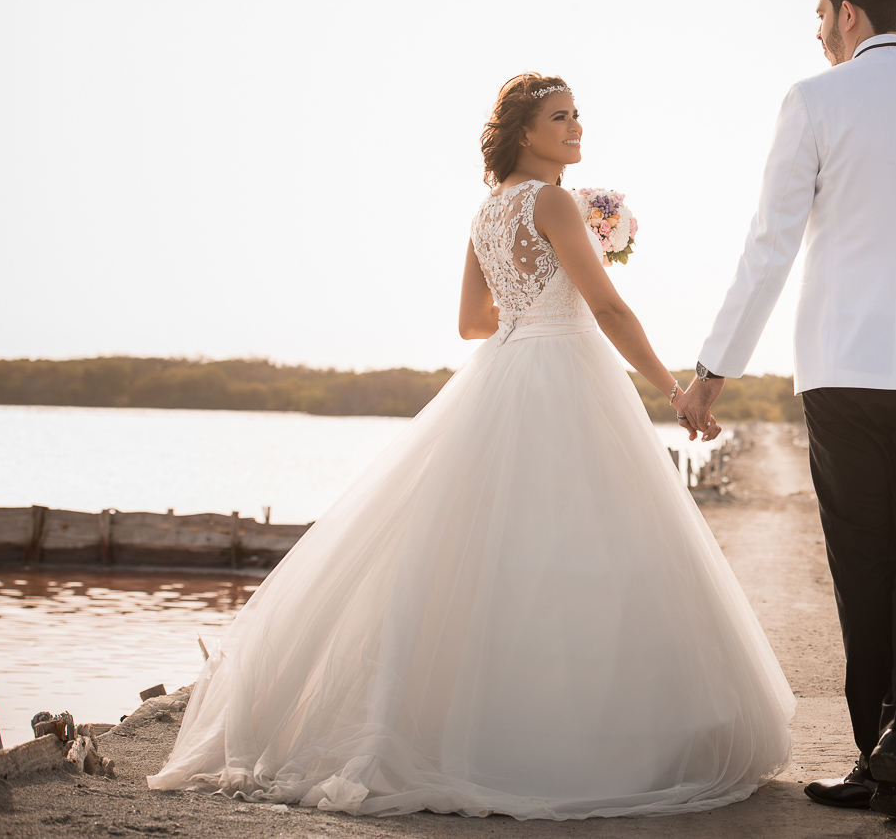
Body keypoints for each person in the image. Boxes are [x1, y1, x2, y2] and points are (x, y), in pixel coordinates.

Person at [147, 74, 794, 818]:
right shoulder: (552, 204)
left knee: (502, 554)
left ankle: (487, 732)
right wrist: (672, 389)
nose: (577, 127)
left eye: (579, 114)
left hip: (508, 372)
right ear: (525, 131)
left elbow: (471, 323)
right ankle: (586, 742)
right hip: (568, 377)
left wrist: (532, 317)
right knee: (587, 548)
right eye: (561, 117)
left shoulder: (487, 212)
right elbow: (609, 307)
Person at [674, 0, 896, 821]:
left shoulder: (814, 100)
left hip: (842, 371)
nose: (818, 32)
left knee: (862, 559)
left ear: (851, 16)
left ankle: (878, 751)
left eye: (821, 15)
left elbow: (770, 245)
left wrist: (714, 370)